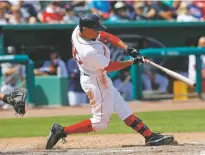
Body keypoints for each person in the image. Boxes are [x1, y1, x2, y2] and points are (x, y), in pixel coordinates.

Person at [46, 14, 174, 149]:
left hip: (99, 76)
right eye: (95, 29)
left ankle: (149, 136)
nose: (98, 31)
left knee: (123, 109)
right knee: (100, 123)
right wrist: (132, 62)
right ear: (85, 29)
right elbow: (110, 67)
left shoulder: (79, 30)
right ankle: (61, 131)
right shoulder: (88, 51)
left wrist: (127, 49)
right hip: (95, 82)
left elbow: (106, 36)